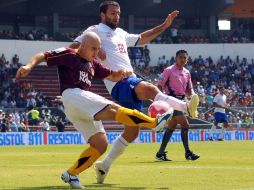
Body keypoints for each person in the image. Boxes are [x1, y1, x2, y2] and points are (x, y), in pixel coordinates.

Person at [16, 31, 172, 189]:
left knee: (100, 144)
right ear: (82, 46)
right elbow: (43, 55)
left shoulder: (93, 64)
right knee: (113, 109)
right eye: (93, 49)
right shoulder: (69, 54)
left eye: (98, 49)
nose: (97, 52)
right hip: (73, 94)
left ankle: (72, 174)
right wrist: (29, 65)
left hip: (77, 106)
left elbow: (111, 75)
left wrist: (121, 74)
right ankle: (153, 123)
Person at [70, 1, 199, 184]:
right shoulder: (95, 30)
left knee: (132, 132)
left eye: (118, 13)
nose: (116, 16)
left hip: (126, 83)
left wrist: (164, 26)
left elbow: (142, 38)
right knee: (149, 88)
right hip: (118, 82)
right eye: (113, 13)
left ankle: (104, 166)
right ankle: (185, 107)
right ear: (103, 15)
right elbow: (74, 47)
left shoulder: (120, 33)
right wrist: (85, 56)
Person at [155, 50, 200, 161]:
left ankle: (160, 153)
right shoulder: (168, 70)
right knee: (185, 125)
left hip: (182, 101)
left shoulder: (187, 73)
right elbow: (159, 85)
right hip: (170, 100)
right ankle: (188, 153)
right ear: (176, 58)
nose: (182, 59)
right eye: (180, 57)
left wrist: (193, 97)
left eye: (185, 57)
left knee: (171, 127)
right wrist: (159, 100)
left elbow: (190, 89)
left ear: (187, 59)